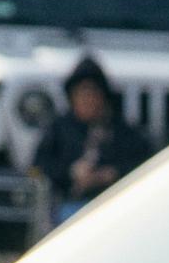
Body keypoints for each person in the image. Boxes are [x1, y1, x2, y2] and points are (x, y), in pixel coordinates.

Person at [32, 57, 147, 225]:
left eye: (93, 93)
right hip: (67, 206)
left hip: (113, 205)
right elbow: (39, 164)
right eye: (81, 93)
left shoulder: (122, 131)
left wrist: (110, 174)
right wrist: (71, 172)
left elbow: (144, 162)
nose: (87, 99)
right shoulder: (60, 129)